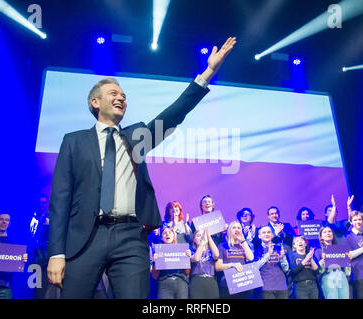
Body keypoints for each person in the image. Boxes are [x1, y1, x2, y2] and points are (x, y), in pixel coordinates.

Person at [46, 37, 237, 299]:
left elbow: (173, 114)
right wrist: (56, 253)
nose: (121, 98)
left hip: (130, 238)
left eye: (124, 96)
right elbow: (60, 199)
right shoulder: (74, 140)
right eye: (113, 94)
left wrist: (208, 73)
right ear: (95, 102)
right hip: (84, 239)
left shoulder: (136, 136)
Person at [215, 220, 254, 298]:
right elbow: (217, 267)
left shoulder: (243, 245)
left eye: (239, 228)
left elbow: (250, 258)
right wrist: (232, 265)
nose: (237, 229)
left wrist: (243, 241)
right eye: (234, 228)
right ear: (229, 231)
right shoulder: (222, 246)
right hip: (227, 284)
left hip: (242, 282)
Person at [151, 226, 191, 299]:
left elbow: (187, 272)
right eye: (164, 233)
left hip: (181, 283)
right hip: (164, 284)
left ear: (174, 235)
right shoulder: (157, 251)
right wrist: (155, 262)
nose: (167, 234)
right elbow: (154, 276)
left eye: (170, 232)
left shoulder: (182, 250)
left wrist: (188, 258)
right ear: (161, 238)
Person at [254, 226, 289, 299]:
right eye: (264, 232)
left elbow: (286, 269)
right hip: (266, 287)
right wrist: (268, 255)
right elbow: (255, 268)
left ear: (272, 235)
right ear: (259, 236)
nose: (266, 234)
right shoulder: (257, 250)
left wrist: (282, 258)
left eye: (269, 232)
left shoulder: (279, 248)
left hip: (281, 285)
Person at [316, 226, 351, 299]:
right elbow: (318, 271)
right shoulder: (319, 251)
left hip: (341, 276)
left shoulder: (340, 249)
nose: (328, 233)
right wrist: (322, 261)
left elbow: (347, 272)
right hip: (328, 276)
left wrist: (348, 261)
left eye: (329, 231)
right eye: (325, 232)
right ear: (321, 236)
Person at [189, 228, 220, 299]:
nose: (201, 237)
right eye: (199, 235)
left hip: (211, 281)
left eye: (203, 235)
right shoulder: (191, 252)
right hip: (197, 281)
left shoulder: (210, 252)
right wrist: (202, 243)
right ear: (194, 239)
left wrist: (208, 237)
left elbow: (216, 255)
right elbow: (196, 258)